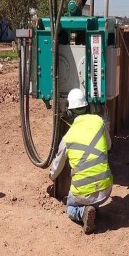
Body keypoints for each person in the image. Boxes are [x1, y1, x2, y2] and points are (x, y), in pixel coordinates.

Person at [49, 88, 113, 234]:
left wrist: (51, 175)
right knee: (92, 192)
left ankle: (82, 212)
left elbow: (58, 164)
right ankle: (94, 207)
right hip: (106, 190)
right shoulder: (99, 122)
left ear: (70, 113)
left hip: (82, 194)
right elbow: (109, 146)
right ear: (88, 107)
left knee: (70, 207)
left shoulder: (68, 137)